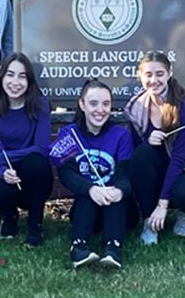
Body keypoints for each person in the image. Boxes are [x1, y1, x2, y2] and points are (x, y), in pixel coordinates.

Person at [125, 51, 185, 245]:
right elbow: (137, 158)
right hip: (159, 167)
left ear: (169, 73)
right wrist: (147, 140)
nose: (154, 80)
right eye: (148, 75)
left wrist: (163, 204)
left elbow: (179, 158)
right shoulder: (135, 106)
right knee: (141, 155)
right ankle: (148, 222)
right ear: (140, 76)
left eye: (159, 74)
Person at [56, 79, 133, 269]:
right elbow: (66, 173)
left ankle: (113, 248)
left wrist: (119, 191)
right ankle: (78, 247)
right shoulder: (69, 134)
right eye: (93, 103)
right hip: (86, 208)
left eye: (106, 104)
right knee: (88, 193)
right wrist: (91, 189)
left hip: (120, 209)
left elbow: (126, 174)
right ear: (82, 104)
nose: (100, 109)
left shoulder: (120, 135)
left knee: (112, 195)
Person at [0, 53, 52, 247]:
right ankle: (9, 217)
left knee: (36, 162)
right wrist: (2, 171)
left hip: (32, 174)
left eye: (22, 76)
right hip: (5, 173)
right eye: (10, 75)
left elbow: (41, 148)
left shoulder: (41, 106)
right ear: (2, 77)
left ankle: (35, 225)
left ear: (29, 81)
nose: (15, 82)